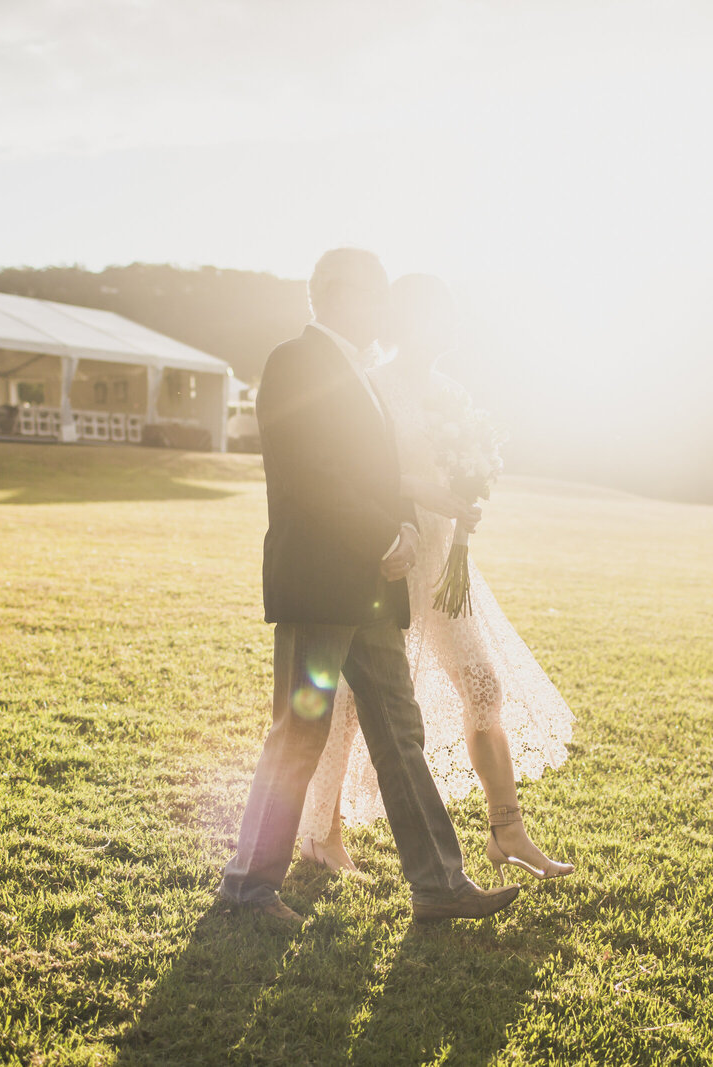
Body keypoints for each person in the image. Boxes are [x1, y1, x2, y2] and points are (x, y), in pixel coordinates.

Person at [217, 249, 520, 927]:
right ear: (330, 294)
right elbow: (313, 475)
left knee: (398, 728)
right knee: (301, 729)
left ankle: (438, 883)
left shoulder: (359, 371)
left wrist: (405, 529)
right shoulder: (296, 361)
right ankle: (247, 888)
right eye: (371, 292)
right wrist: (383, 538)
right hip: (322, 582)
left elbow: (375, 473)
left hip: (370, 587)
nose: (381, 306)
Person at [299, 273, 575, 886]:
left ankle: (508, 832)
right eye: (438, 316)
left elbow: (464, 464)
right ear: (406, 320)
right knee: (350, 705)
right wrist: (422, 496)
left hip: (449, 565)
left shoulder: (451, 392)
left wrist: (468, 497)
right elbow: (356, 477)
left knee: (483, 687)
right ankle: (322, 834)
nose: (450, 328)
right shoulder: (371, 388)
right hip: (390, 557)